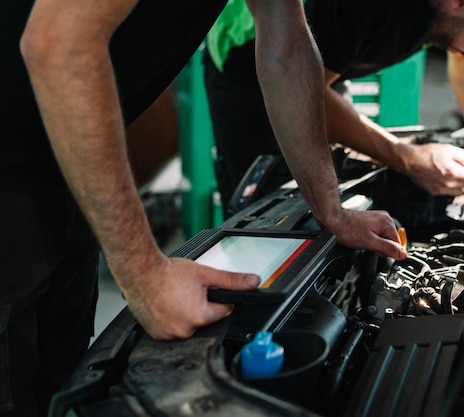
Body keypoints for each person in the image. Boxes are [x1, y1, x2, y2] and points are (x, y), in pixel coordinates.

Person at [1, 0, 409, 416]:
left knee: (64, 381)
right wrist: (144, 274)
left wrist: (332, 210)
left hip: (64, 150)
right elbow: (59, 44)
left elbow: (286, 47)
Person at [204, 0, 464, 216]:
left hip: (319, 57)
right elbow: (303, 90)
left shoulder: (457, 11)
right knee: (270, 213)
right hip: (251, 63)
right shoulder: (363, 6)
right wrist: (406, 157)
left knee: (329, 185)